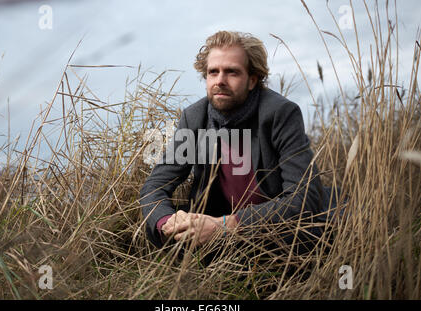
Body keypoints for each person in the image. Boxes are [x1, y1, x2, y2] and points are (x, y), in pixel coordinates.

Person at [140, 31, 332, 253]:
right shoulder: (194, 118)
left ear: (252, 80)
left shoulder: (280, 114)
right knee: (175, 233)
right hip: (215, 224)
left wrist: (226, 226)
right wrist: (167, 222)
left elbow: (304, 198)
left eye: (232, 72)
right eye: (213, 72)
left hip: (273, 230)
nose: (220, 80)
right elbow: (155, 185)